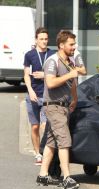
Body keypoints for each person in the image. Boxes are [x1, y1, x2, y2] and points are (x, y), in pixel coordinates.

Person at [36, 30, 86, 189]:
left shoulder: (69, 61)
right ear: (61, 45)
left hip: (63, 106)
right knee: (64, 141)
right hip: (53, 106)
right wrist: (70, 74)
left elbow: (71, 83)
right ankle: (67, 178)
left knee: (51, 142)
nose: (74, 47)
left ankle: (43, 174)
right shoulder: (52, 61)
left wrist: (75, 98)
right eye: (71, 44)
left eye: (74, 44)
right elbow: (50, 83)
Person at [23, 27, 55, 165]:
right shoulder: (30, 55)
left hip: (48, 96)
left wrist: (45, 75)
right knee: (35, 126)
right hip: (33, 95)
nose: (44, 42)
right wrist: (30, 90)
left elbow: (59, 73)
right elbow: (26, 74)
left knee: (44, 125)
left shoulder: (53, 54)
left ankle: (46, 152)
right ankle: (37, 154)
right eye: (41, 39)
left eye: (46, 39)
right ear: (36, 40)